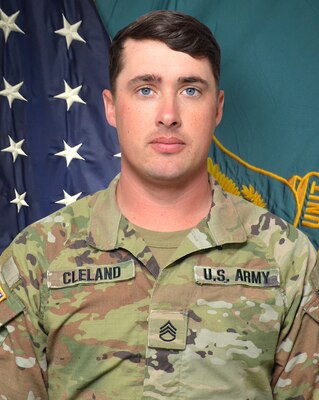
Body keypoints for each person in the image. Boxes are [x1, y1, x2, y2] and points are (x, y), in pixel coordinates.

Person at [0, 10, 318, 400]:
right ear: (111, 106)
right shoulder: (38, 255)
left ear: (217, 108)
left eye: (190, 90)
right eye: (145, 89)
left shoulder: (286, 258)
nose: (168, 116)